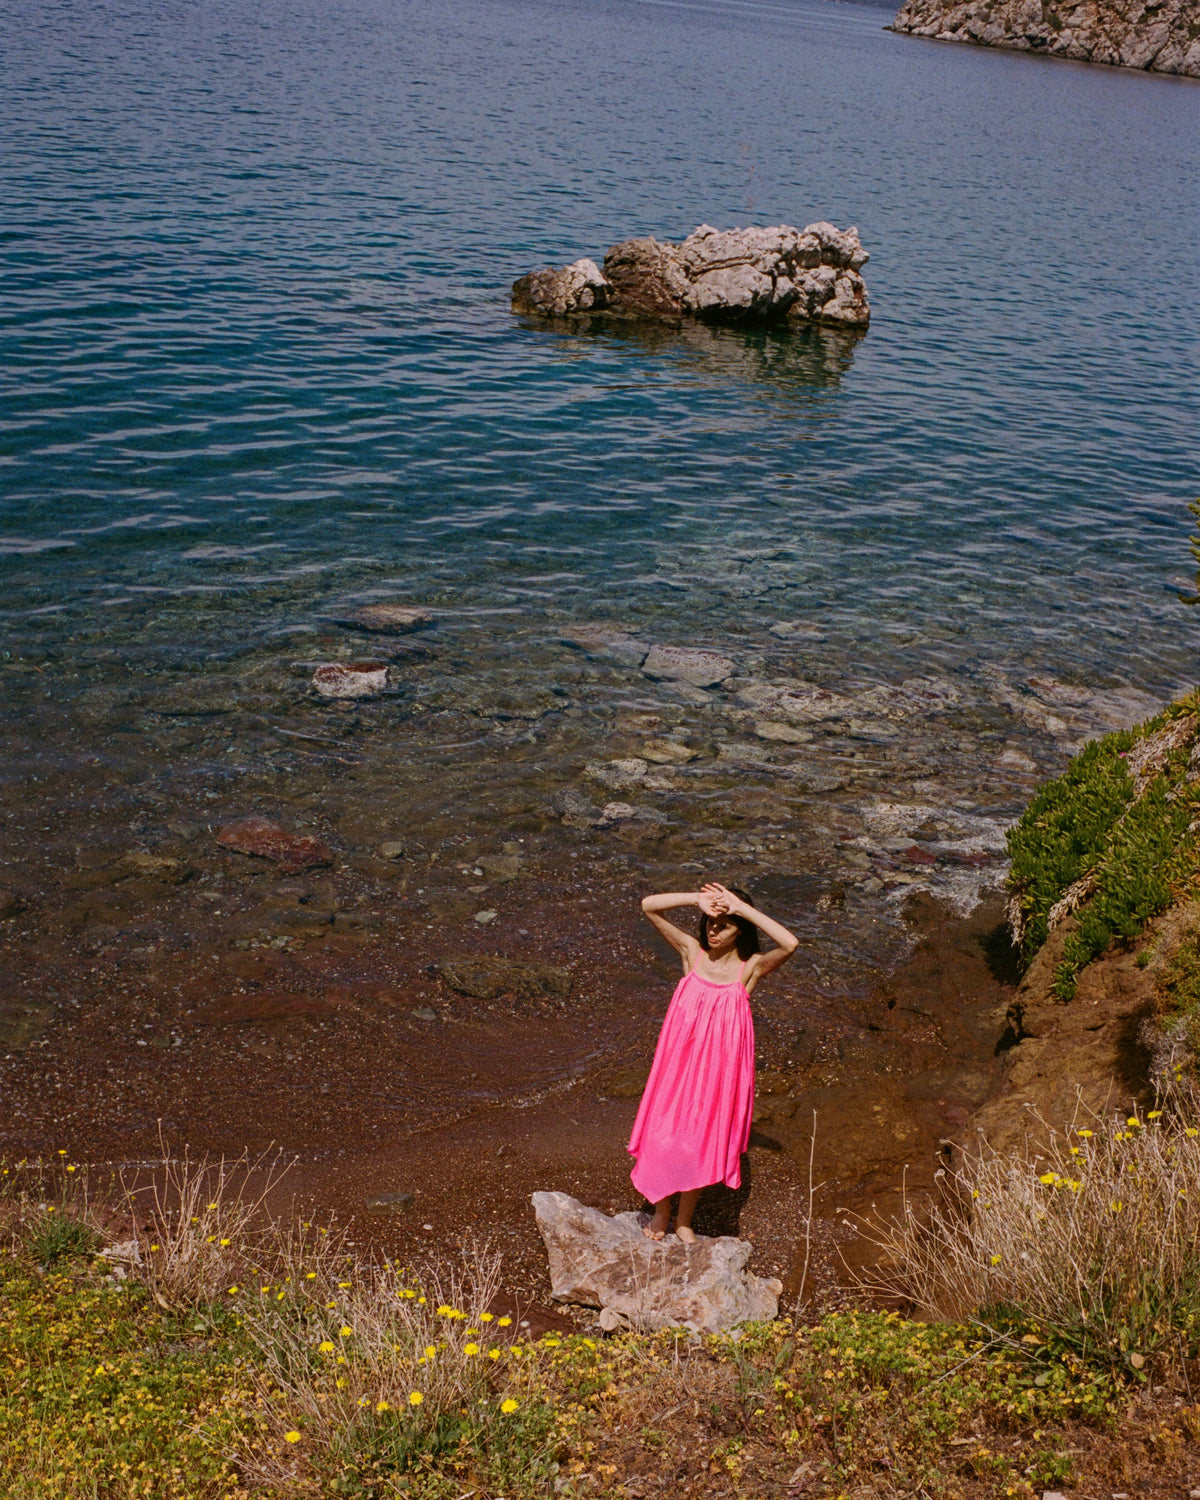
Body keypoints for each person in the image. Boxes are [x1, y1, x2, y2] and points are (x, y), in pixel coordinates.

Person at [628, 881, 799, 1242]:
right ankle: (661, 1212)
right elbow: (649, 905)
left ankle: (684, 1220)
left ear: (741, 930)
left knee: (698, 1141)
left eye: (725, 924)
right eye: (710, 922)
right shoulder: (693, 953)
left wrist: (740, 907)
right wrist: (697, 900)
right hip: (676, 1067)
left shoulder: (749, 969)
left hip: (717, 1073)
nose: (714, 929)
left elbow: (790, 943)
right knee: (662, 1134)